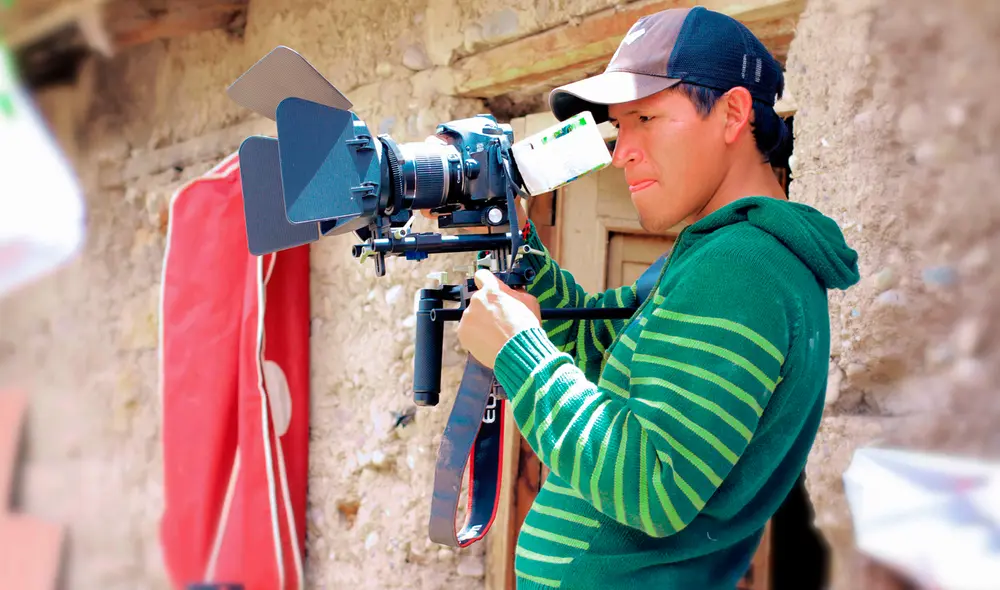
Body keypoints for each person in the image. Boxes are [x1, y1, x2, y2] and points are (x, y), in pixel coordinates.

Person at [456, 6, 859, 590]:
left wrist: (519, 352)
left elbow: (654, 484)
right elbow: (600, 346)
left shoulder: (743, 267)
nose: (622, 152)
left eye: (646, 117)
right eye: (620, 127)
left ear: (734, 114)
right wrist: (513, 246)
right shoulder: (713, 257)